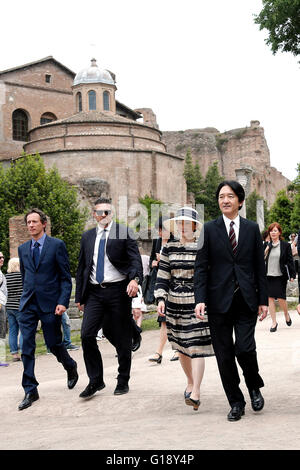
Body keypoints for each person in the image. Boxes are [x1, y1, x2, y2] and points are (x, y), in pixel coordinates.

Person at [194, 180, 268, 422]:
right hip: (217, 302)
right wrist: (200, 299)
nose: (225, 200)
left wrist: (263, 299)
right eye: (221, 196)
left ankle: (254, 385)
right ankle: (236, 401)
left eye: (230, 196)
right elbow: (201, 268)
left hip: (246, 299)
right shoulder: (208, 229)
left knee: (245, 348)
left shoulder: (251, 228)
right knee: (224, 355)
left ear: (240, 200)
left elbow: (259, 267)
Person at [75, 198, 143, 398]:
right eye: (99, 212)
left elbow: (134, 260)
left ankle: (123, 380)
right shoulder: (87, 237)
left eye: (106, 212)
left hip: (118, 291)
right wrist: (80, 296)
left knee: (120, 337)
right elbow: (82, 268)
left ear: (111, 213)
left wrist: (135, 279)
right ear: (93, 214)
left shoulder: (123, 232)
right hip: (95, 293)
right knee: (87, 334)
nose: (102, 216)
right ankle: (95, 381)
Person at [17, 208, 78, 411]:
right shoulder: (23, 248)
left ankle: (70, 366)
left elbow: (64, 277)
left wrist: (62, 301)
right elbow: (26, 276)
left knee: (53, 344)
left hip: (51, 305)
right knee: (26, 346)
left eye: (35, 222)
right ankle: (30, 389)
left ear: (44, 224)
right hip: (28, 305)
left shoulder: (56, 245)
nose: (31, 225)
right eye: (28, 222)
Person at [155, 207, 214, 411]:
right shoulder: (169, 248)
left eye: (186, 223)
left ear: (195, 226)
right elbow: (163, 276)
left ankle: (196, 392)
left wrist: (206, 299)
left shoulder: (202, 247)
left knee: (196, 346)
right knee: (182, 347)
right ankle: (190, 381)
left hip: (197, 303)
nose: (182, 227)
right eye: (179, 223)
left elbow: (208, 275)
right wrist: (161, 298)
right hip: (175, 304)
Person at [148, 216, 178, 364]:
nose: (160, 232)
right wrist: (154, 263)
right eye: (159, 230)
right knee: (164, 319)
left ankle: (177, 350)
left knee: (173, 319)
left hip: (174, 285)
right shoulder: (157, 242)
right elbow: (150, 262)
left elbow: (178, 264)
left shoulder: (176, 242)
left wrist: (163, 260)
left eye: (163, 229)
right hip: (161, 285)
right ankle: (159, 352)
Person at [264, 223, 296, 332]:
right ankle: (274, 322)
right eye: (271, 231)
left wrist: (292, 275)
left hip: (280, 276)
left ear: (279, 233)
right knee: (270, 298)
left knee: (281, 298)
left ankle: (286, 314)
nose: (273, 232)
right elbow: (261, 259)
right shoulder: (266, 245)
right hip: (268, 275)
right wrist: (267, 249)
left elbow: (290, 261)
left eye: (275, 231)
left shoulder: (285, 245)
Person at [5, 257, 23, 362]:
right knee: (24, 330)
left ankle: (14, 354)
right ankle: (24, 351)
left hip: (9, 306)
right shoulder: (21, 276)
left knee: (12, 330)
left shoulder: (5, 277)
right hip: (20, 306)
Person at [0, 251, 9, 367]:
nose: (2, 259)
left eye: (2, 257)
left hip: (2, 303)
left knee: (2, 332)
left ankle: (2, 358)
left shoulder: (1, 273)